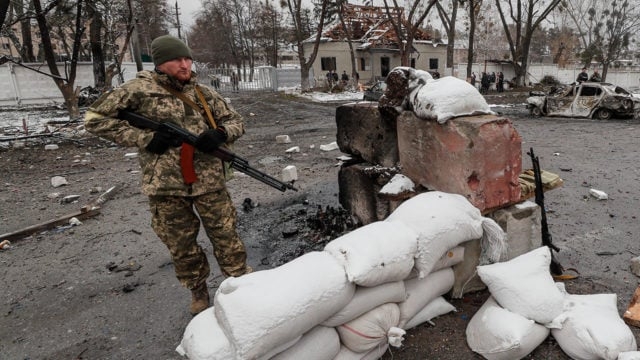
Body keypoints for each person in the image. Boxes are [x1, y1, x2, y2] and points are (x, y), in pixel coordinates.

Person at [84, 35, 252, 316]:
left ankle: (240, 285)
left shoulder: (203, 93)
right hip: (165, 185)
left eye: (187, 59)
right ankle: (198, 290)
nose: (185, 65)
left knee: (226, 236)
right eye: (178, 60)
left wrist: (221, 133)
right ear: (161, 63)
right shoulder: (137, 90)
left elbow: (236, 121)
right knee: (181, 243)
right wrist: (143, 138)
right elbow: (94, 119)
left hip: (209, 180)